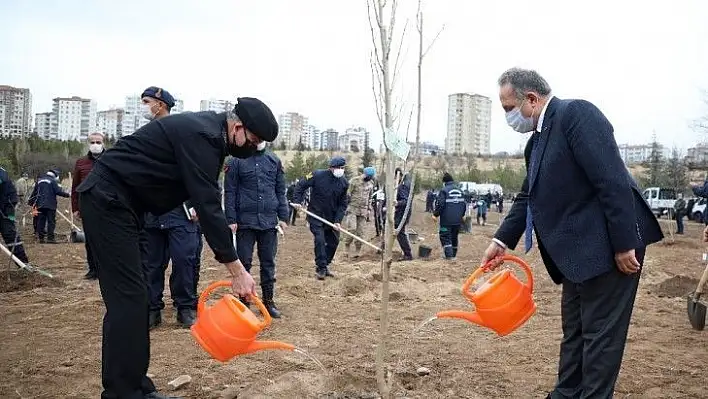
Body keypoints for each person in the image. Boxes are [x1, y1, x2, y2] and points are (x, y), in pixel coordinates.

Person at [76, 97, 278, 399]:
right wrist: (236, 270)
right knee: (128, 300)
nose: (252, 148)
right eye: (253, 140)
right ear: (237, 127)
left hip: (127, 207)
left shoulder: (211, 135)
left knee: (137, 298)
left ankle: (136, 386)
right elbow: (208, 206)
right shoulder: (203, 136)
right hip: (108, 202)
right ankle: (122, 392)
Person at [480, 68, 663, 398]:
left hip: (609, 247)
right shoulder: (537, 141)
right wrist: (501, 240)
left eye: (508, 108)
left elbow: (612, 181)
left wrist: (624, 244)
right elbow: (528, 196)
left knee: (601, 337)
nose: (508, 116)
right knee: (575, 332)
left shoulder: (575, 115)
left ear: (531, 100)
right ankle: (565, 394)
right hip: (577, 256)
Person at [135, 86, 203, 330]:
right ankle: (151, 309)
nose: (142, 106)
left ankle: (185, 307)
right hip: (151, 212)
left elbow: (200, 171)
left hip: (180, 212)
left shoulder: (182, 135)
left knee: (184, 260)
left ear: (160, 105)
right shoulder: (142, 135)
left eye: (146, 101)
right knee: (151, 263)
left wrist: (197, 204)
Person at [224, 142, 289, 318]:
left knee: (268, 263)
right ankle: (243, 302)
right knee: (244, 263)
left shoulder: (274, 160)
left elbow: (280, 190)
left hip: (269, 222)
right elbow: (230, 191)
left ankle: (268, 302)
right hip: (245, 222)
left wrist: (283, 216)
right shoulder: (236, 160)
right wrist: (231, 218)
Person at [292, 156, 349, 280]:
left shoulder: (344, 183)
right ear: (330, 168)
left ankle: (326, 264)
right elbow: (301, 184)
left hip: (332, 219)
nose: (340, 170)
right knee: (320, 240)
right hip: (316, 215)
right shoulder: (316, 175)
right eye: (337, 168)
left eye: (342, 168)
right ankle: (321, 268)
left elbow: (343, 204)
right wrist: (297, 201)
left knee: (334, 242)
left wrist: (338, 221)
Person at [72, 132, 105, 280]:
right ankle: (93, 269)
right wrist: (75, 208)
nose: (96, 145)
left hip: (107, 207)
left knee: (107, 239)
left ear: (103, 143)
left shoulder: (111, 159)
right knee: (90, 240)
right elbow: (75, 187)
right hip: (88, 208)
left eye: (98, 142)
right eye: (93, 142)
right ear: (88, 143)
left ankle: (107, 269)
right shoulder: (81, 162)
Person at [27, 169, 70, 244]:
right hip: (50, 205)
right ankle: (50, 239)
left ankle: (41, 239)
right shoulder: (53, 181)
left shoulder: (39, 181)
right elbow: (58, 191)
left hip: (40, 204)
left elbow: (34, 193)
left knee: (41, 221)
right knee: (51, 222)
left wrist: (31, 203)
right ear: (54, 175)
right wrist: (68, 195)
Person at [0, 167, 31, 266]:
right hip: (6, 206)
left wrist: (10, 215)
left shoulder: (1, 173)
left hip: (5, 209)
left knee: (10, 234)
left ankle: (23, 264)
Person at [343, 166, 375, 258]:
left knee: (360, 232)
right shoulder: (354, 181)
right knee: (352, 229)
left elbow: (370, 197)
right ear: (364, 174)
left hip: (363, 211)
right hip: (353, 208)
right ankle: (347, 246)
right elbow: (347, 194)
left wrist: (369, 209)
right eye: (368, 176)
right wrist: (345, 207)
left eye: (371, 176)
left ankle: (357, 250)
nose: (369, 178)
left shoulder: (371, 183)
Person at [383, 167, 413, 261]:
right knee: (388, 229)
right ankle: (384, 248)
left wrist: (397, 203)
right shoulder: (396, 186)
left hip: (402, 214)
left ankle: (408, 254)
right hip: (397, 213)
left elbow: (405, 201)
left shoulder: (402, 186)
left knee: (399, 233)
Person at [433, 172, 466, 259]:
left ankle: (450, 257)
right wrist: (462, 215)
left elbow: (440, 204)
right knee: (454, 237)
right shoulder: (460, 190)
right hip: (458, 220)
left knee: (445, 236)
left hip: (446, 220)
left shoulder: (444, 191)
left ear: (444, 182)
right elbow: (464, 204)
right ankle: (453, 255)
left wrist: (435, 214)